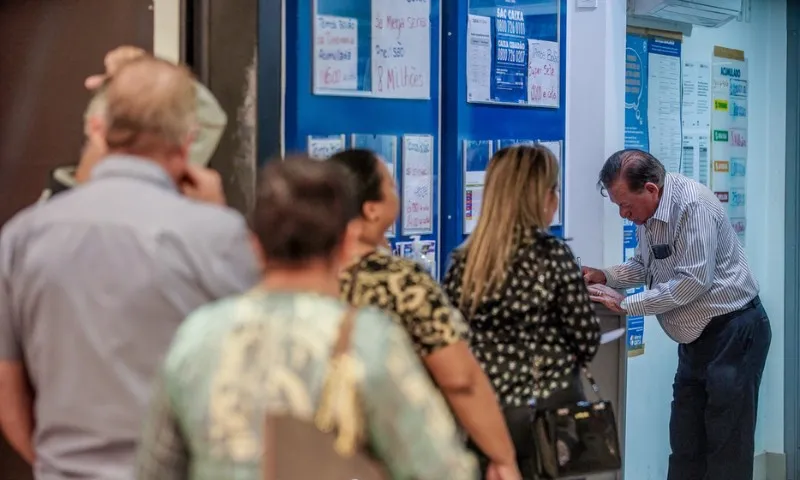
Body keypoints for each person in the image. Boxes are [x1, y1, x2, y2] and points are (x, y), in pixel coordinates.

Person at [134, 156, 477, 480]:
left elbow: (156, 467)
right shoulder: (368, 341)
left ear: (255, 245)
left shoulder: (197, 335)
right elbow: (439, 468)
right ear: (346, 244)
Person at [0, 56, 261, 479]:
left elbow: (7, 390)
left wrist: (61, 464)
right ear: (187, 142)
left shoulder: (22, 236)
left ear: (100, 129)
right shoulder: (216, 234)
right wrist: (218, 214)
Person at [328, 149, 521, 480]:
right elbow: (459, 378)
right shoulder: (400, 281)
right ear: (371, 209)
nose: (396, 193)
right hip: (395, 451)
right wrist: (502, 456)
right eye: (390, 185)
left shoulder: (308, 275)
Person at [582, 149, 771, 480]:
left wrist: (626, 305)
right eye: (618, 207)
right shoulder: (648, 216)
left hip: (734, 332)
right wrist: (605, 275)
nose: (624, 214)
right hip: (696, 339)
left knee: (726, 445)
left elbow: (694, 282)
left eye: (626, 205)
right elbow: (644, 266)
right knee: (685, 441)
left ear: (651, 189)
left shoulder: (693, 206)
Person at [442, 145, 600, 479]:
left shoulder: (465, 262)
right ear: (541, 197)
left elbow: (452, 340)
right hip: (549, 415)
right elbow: (586, 340)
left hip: (484, 414)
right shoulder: (552, 255)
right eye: (553, 190)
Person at [38, 45, 228, 203]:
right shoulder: (44, 221)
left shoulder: (34, 225)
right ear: (97, 129)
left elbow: (208, 117)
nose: (138, 166)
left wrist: (143, 73)